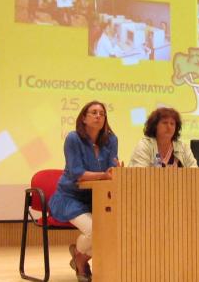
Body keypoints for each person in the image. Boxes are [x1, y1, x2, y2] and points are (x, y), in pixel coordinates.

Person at [48, 101, 119, 282]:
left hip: (98, 198)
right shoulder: (73, 138)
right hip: (70, 197)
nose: (98, 116)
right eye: (93, 112)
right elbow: (77, 174)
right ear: (84, 118)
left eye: (102, 113)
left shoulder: (111, 140)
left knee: (116, 230)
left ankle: (79, 257)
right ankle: (81, 264)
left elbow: (112, 171)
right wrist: (105, 175)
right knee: (95, 230)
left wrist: (116, 171)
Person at [128, 107, 198, 167]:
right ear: (155, 126)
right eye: (165, 123)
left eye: (172, 124)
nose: (169, 127)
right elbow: (140, 174)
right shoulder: (145, 145)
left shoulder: (183, 147)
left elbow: (195, 172)